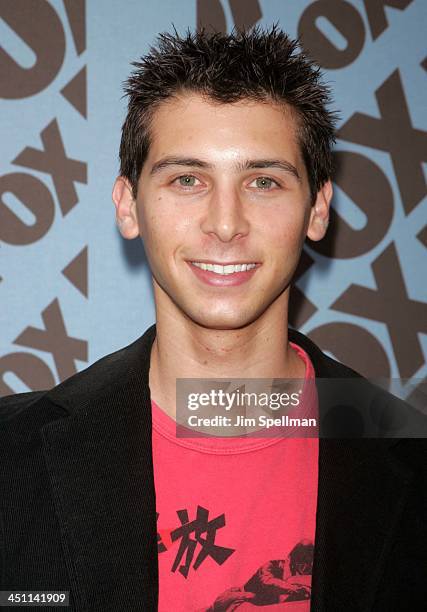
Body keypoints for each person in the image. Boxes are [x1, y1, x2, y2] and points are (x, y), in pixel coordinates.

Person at [0, 26, 426, 612]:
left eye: (263, 181)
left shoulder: (409, 459)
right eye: (187, 180)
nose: (226, 224)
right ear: (128, 206)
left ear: (317, 209)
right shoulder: (11, 457)